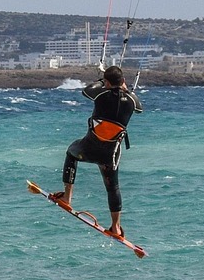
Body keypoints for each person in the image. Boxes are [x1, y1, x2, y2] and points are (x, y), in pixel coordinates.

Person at [51, 65, 142, 238]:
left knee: (71, 153)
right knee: (112, 187)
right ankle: (116, 227)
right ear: (123, 81)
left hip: (89, 149)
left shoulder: (101, 94)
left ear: (107, 82)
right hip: (110, 155)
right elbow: (139, 109)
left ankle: (67, 197)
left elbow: (87, 91)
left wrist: (102, 82)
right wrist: (127, 91)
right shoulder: (131, 100)